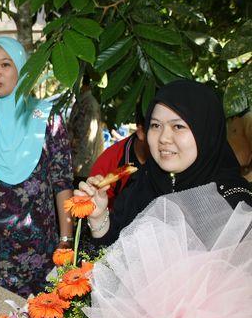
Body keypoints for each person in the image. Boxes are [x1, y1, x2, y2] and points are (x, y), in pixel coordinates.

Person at [0, 36, 74, 297]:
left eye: (5, 64)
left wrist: (66, 239)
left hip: (37, 249)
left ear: (22, 69)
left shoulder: (47, 116)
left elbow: (62, 182)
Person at [78, 80, 252, 246]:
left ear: (206, 133)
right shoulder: (143, 184)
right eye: (155, 125)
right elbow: (111, 253)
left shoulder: (233, 203)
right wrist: (99, 217)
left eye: (178, 126)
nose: (163, 138)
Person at [89, 106, 149, 209]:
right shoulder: (111, 162)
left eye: (176, 126)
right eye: (156, 126)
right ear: (141, 131)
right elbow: (93, 206)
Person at [68, 75, 104, 185]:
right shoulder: (81, 102)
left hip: (83, 170)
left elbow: (88, 138)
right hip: (78, 166)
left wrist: (77, 165)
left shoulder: (88, 104)